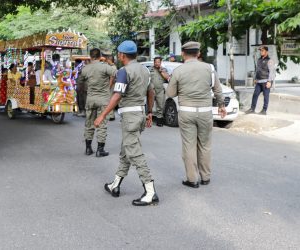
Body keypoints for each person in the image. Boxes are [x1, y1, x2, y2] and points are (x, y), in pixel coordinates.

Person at [94, 40, 159, 206]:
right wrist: (150, 111)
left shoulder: (124, 71)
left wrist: (102, 115)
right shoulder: (145, 70)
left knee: (135, 153)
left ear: (122, 55)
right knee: (126, 151)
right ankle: (115, 185)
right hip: (140, 114)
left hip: (129, 116)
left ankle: (150, 191)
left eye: (118, 54)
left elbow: (117, 95)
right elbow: (151, 91)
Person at [167, 41, 227, 188]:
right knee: (205, 145)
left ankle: (192, 179)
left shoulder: (178, 71)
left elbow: (170, 93)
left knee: (189, 146)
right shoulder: (209, 68)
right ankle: (205, 177)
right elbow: (218, 90)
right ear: (198, 53)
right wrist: (221, 105)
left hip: (187, 112)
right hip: (206, 112)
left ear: (183, 54)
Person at [77, 48, 116, 157]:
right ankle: (100, 150)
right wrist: (109, 63)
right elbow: (117, 74)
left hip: (90, 99)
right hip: (103, 99)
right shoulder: (105, 67)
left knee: (89, 123)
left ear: (90, 56)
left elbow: (79, 83)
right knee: (102, 124)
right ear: (100, 56)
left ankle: (88, 149)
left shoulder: (85, 69)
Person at [245, 45, 275, 115]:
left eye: (262, 51)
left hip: (266, 81)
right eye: (260, 51)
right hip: (259, 81)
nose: (261, 52)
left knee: (266, 96)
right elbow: (257, 70)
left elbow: (271, 72)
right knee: (255, 94)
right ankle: (252, 109)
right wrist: (255, 78)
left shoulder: (269, 60)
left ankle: (264, 110)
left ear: (266, 52)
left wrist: (269, 81)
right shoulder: (259, 60)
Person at [150, 57, 170, 126]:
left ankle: (159, 121)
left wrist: (161, 71)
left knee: (160, 106)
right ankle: (148, 119)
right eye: (155, 62)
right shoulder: (150, 69)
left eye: (158, 62)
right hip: (151, 90)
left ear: (160, 62)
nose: (156, 63)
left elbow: (167, 77)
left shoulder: (164, 69)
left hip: (160, 90)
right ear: (154, 62)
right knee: (150, 105)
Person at [106, 55, 117, 121]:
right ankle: (111, 114)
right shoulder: (111, 67)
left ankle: (111, 115)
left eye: (107, 60)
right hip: (112, 85)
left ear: (110, 60)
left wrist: (108, 87)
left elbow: (111, 79)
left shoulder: (113, 67)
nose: (107, 61)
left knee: (110, 100)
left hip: (112, 85)